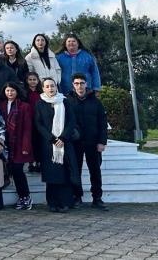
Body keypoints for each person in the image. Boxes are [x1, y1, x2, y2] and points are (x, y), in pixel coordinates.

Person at [35, 77, 79, 213]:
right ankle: (52, 203)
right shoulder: (40, 103)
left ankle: (65, 202)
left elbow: (71, 121)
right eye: (47, 86)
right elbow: (39, 124)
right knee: (52, 175)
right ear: (43, 89)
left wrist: (63, 138)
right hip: (49, 145)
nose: (50, 88)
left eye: (52, 86)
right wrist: (52, 139)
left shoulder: (65, 101)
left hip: (65, 144)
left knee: (65, 174)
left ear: (56, 87)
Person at [68, 73, 109, 210]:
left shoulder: (96, 102)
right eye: (76, 83)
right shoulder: (68, 101)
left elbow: (103, 123)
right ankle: (77, 197)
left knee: (95, 171)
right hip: (75, 142)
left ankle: (97, 198)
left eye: (82, 83)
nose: (79, 86)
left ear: (86, 84)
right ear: (73, 85)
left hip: (93, 141)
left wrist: (102, 142)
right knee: (75, 171)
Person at [0, 82, 34, 210]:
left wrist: (26, 147)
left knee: (18, 171)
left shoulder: (24, 106)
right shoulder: (1, 105)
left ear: (17, 91)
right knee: (11, 170)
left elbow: (27, 128)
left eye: (12, 90)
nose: (10, 93)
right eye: (7, 90)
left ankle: (25, 197)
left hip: (19, 144)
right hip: (5, 142)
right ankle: (22, 197)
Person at [24, 72, 44, 173]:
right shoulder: (24, 93)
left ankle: (39, 162)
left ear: (38, 80)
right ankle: (31, 163)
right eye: (30, 79)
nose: (32, 81)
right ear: (27, 81)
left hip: (39, 120)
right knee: (30, 142)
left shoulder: (42, 93)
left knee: (39, 142)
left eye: (34, 79)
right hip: (28, 120)